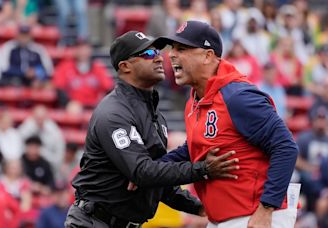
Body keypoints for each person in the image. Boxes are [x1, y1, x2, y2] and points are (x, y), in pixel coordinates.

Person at [65, 31, 239, 228]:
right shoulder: (114, 113)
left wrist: (199, 208)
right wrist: (203, 170)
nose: (158, 57)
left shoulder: (155, 113)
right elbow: (142, 172)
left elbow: (158, 182)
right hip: (94, 222)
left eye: (157, 51)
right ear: (125, 66)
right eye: (147, 54)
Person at [156, 20, 299, 227]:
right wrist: (148, 171)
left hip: (254, 216)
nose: (171, 54)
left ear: (208, 56)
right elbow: (193, 149)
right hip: (224, 218)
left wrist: (266, 208)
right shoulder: (195, 100)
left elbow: (286, 147)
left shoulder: (238, 96)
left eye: (182, 48)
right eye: (172, 48)